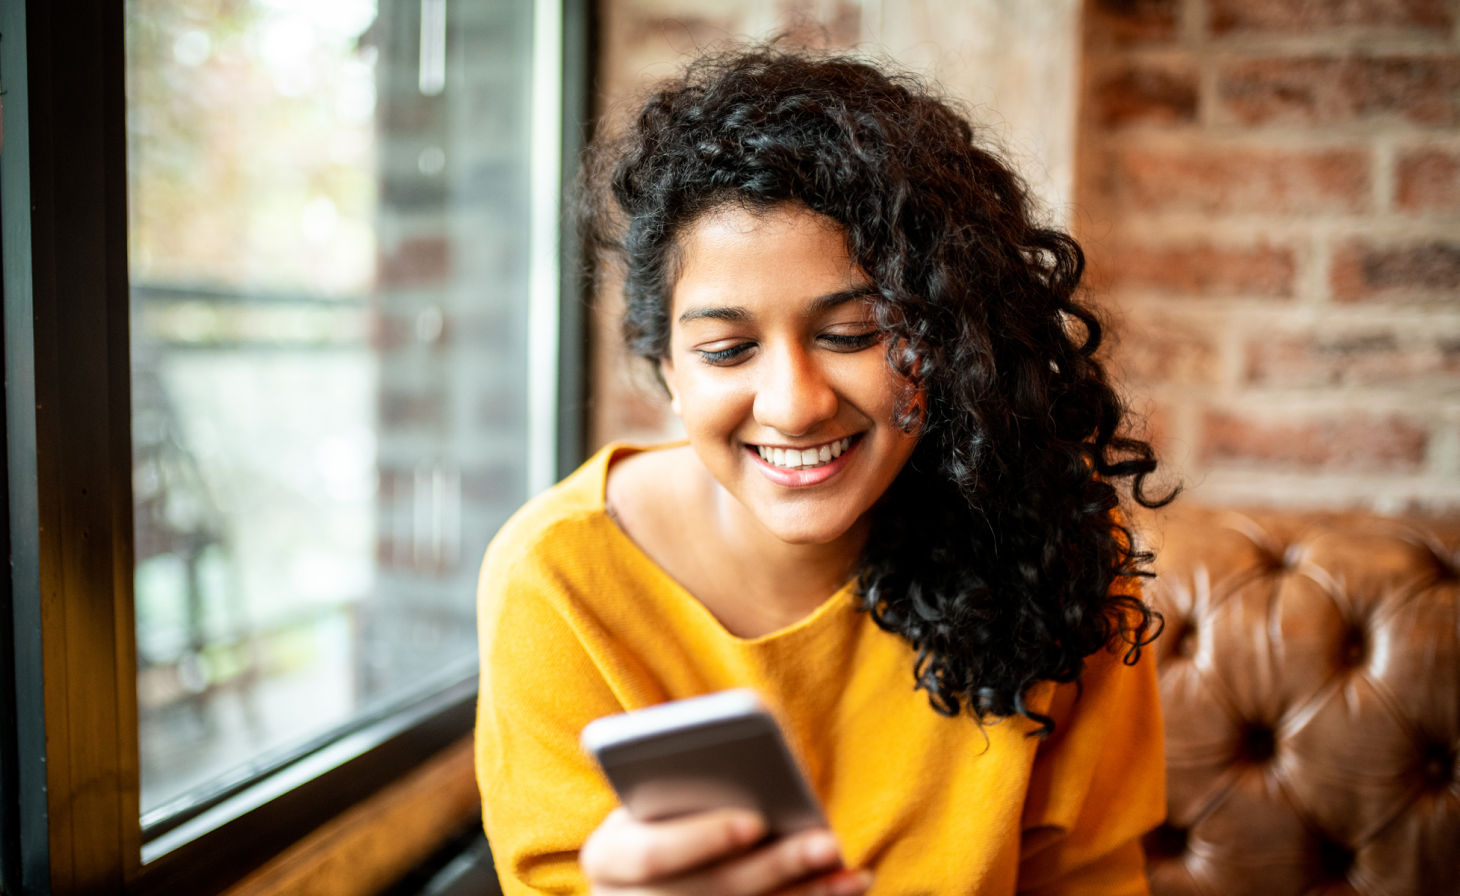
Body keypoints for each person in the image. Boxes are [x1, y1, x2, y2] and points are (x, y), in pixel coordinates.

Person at [476, 47, 1174, 896]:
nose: (794, 405)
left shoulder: (1051, 545)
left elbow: (1092, 880)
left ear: (948, 338)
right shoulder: (560, 580)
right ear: (667, 369)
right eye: (727, 350)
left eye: (852, 334)